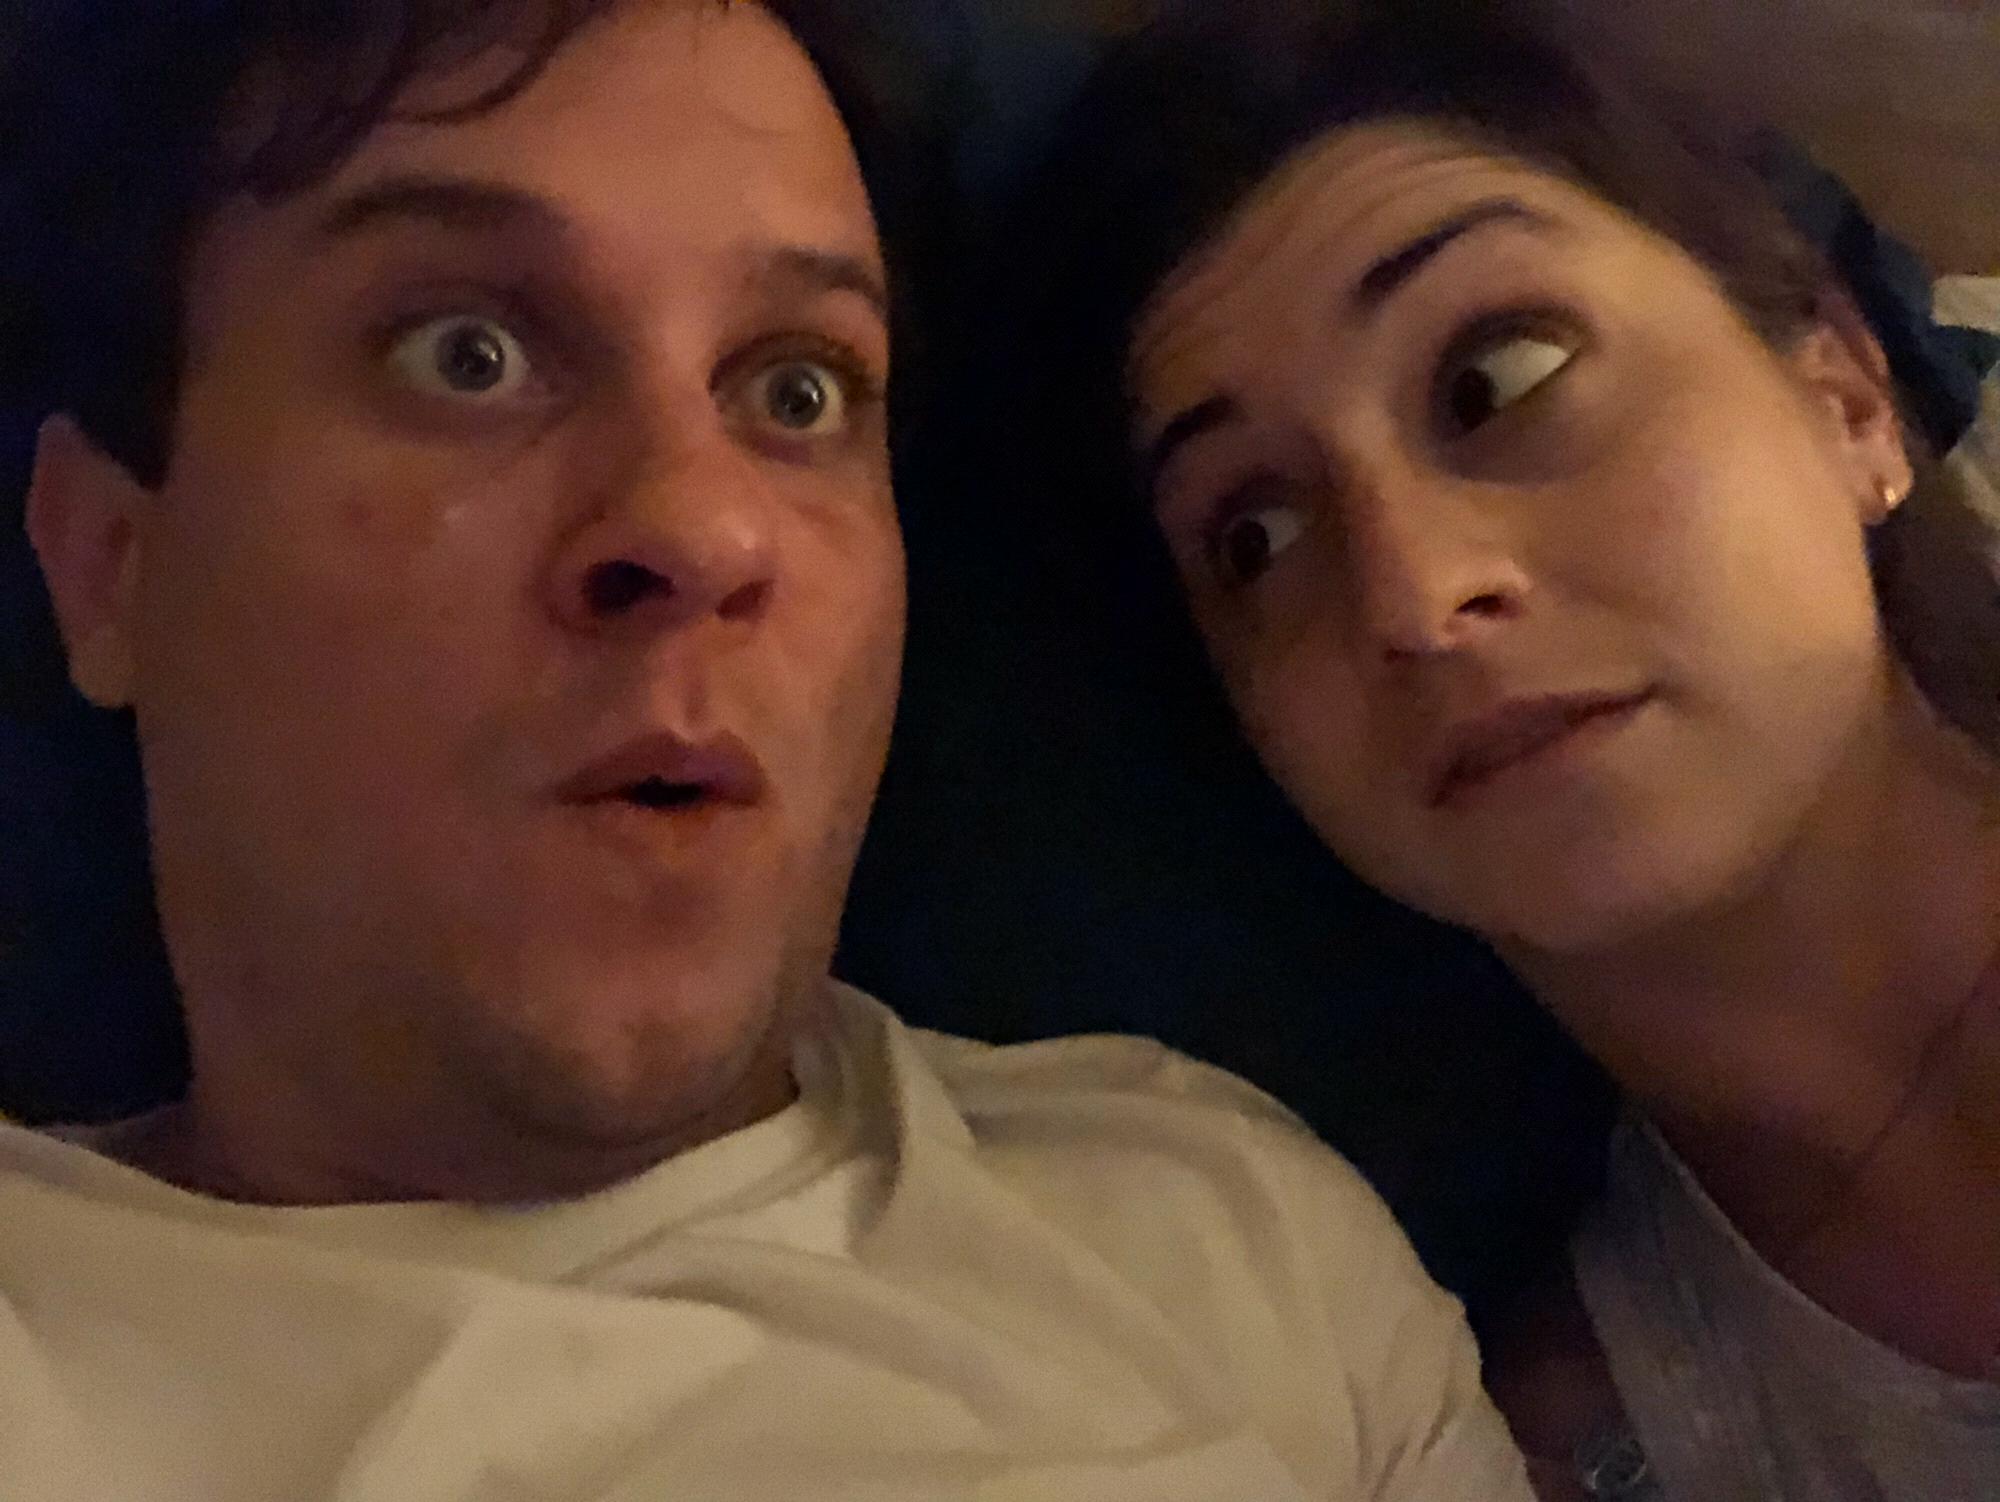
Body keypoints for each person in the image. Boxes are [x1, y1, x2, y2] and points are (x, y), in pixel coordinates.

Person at [0, 1, 1534, 1497]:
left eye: (798, 389)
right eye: (465, 353)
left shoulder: (1233, 1237)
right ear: (108, 564)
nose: (701, 525)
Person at [1038, 2, 2000, 1498]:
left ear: (1849, 397)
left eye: (1499, 378)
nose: (1413, 596)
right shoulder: (1549, 1437)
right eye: (1257, 533)